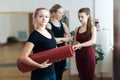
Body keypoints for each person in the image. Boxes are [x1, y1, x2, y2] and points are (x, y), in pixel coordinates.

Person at [19, 7, 57, 80]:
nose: (44, 18)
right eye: (41, 16)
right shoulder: (34, 35)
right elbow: (23, 57)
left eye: (46, 16)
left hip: (52, 72)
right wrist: (39, 65)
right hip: (40, 75)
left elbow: (54, 50)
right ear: (35, 17)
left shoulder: (50, 32)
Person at [46, 4, 72, 80]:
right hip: (53, 52)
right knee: (53, 73)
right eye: (60, 13)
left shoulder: (63, 24)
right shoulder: (48, 25)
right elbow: (51, 40)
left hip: (62, 52)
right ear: (54, 13)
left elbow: (69, 38)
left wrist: (60, 39)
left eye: (62, 13)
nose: (62, 15)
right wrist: (64, 39)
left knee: (60, 73)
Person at [73, 7, 97, 80]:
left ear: (88, 16)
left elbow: (93, 41)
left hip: (88, 55)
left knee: (89, 77)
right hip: (79, 55)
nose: (80, 19)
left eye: (82, 17)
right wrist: (76, 43)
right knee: (81, 76)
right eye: (79, 17)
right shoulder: (77, 29)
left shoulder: (92, 28)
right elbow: (74, 41)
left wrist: (80, 45)